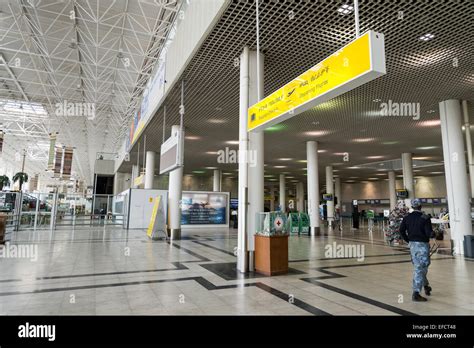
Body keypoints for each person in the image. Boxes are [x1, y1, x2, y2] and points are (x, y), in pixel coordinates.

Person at [399, 199, 433, 302]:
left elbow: (401, 230)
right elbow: (428, 233)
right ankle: (416, 293)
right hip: (422, 245)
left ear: (412, 207)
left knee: (421, 266)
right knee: (420, 267)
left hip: (413, 245)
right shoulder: (425, 218)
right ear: (420, 206)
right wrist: (434, 234)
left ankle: (426, 286)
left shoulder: (407, 217)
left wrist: (408, 240)